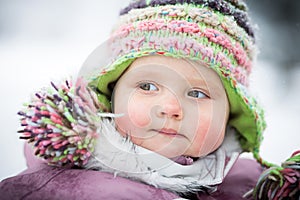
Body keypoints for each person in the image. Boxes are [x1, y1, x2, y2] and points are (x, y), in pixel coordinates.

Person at [0, 0, 299, 199]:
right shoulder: (61, 187)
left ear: (230, 116)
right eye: (147, 86)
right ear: (111, 96)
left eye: (197, 93)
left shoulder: (246, 186)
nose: (169, 108)